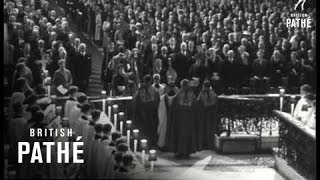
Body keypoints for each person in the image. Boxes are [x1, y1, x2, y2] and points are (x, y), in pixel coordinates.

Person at [167, 79, 198, 158]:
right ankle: (186, 151)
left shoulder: (179, 93)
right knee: (187, 134)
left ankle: (180, 151)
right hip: (188, 118)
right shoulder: (191, 94)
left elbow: (173, 103)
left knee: (180, 134)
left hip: (181, 118)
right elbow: (195, 104)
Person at [133, 75, 160, 148]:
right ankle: (148, 143)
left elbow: (136, 101)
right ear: (150, 81)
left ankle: (145, 144)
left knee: (145, 129)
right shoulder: (154, 90)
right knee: (148, 129)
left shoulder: (140, 90)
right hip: (148, 113)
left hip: (145, 113)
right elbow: (157, 102)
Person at [197, 81, 218, 150]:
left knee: (208, 128)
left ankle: (208, 144)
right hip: (207, 112)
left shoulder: (208, 93)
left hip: (207, 112)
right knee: (207, 128)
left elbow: (199, 101)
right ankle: (207, 144)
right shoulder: (211, 93)